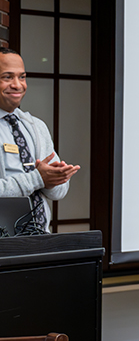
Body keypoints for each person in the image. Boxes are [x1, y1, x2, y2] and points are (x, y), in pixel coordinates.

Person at [0, 47, 80, 232]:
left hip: (40, 242)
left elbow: (59, 193)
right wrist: (38, 178)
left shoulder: (36, 126)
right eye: (7, 77)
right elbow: (37, 180)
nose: (17, 85)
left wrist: (55, 179)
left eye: (22, 77)